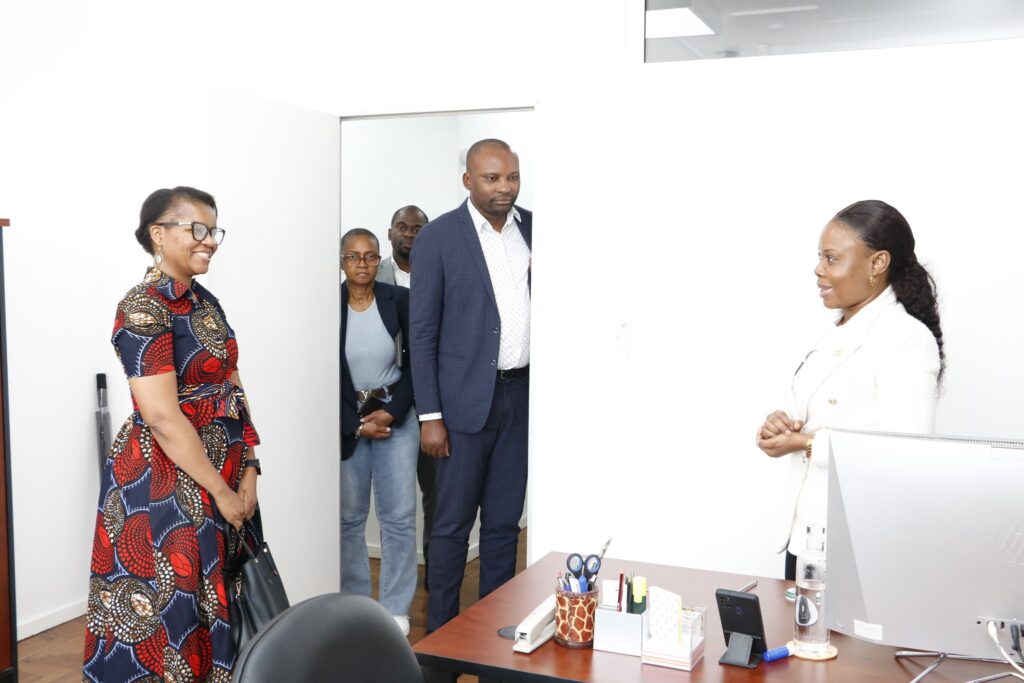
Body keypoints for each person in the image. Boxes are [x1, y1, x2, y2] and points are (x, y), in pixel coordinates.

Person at [84, 187, 262, 681]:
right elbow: (162, 417)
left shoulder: (205, 302)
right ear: (158, 235)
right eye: (197, 229)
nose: (210, 241)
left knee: (226, 596)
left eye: (214, 230)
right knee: (173, 608)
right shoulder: (142, 306)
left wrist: (250, 466)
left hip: (224, 473)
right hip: (166, 482)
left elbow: (232, 384)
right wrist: (221, 490)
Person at [757, 199, 943, 580]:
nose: (818, 269)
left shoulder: (906, 338)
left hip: (859, 548)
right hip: (805, 537)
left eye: (832, 258)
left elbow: (907, 451)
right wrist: (781, 425)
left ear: (877, 263)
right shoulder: (837, 333)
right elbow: (813, 415)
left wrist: (804, 442)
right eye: (819, 257)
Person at [410, 139, 532, 632]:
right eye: (492, 178)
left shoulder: (536, 230)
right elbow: (422, 334)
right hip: (460, 408)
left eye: (512, 177)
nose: (505, 187)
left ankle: (493, 645)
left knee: (503, 527)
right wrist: (430, 416)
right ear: (468, 180)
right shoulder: (438, 237)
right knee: (451, 529)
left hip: (521, 400)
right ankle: (440, 647)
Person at [340, 228, 419, 636]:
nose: (363, 264)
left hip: (394, 417)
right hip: (348, 420)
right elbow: (324, 373)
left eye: (370, 256)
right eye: (354, 257)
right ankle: (353, 607)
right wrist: (355, 425)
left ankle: (395, 609)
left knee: (399, 518)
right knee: (348, 519)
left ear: (379, 260)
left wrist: (391, 413)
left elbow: (418, 362)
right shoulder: (328, 306)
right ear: (342, 261)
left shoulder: (399, 299)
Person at [376, 205, 438, 590]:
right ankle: (393, 586)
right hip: (388, 399)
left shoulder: (441, 270)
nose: (410, 234)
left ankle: (437, 572)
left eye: (418, 228)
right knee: (393, 503)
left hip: (434, 399)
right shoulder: (371, 274)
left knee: (436, 493)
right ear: (390, 233)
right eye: (403, 227)